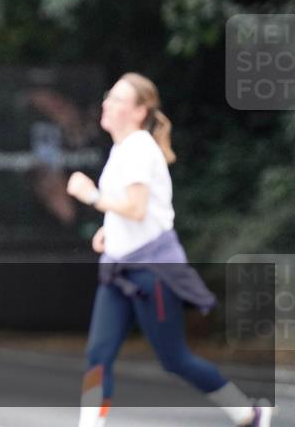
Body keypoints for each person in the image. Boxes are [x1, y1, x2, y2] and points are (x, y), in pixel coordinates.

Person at [67, 73, 274, 427]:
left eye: (117, 99)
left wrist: (90, 195)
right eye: (108, 97)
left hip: (153, 272)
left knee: (174, 358)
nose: (107, 104)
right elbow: (133, 212)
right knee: (98, 356)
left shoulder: (139, 148)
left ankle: (247, 413)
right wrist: (109, 232)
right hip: (119, 269)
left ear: (139, 111)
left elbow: (136, 208)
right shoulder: (123, 148)